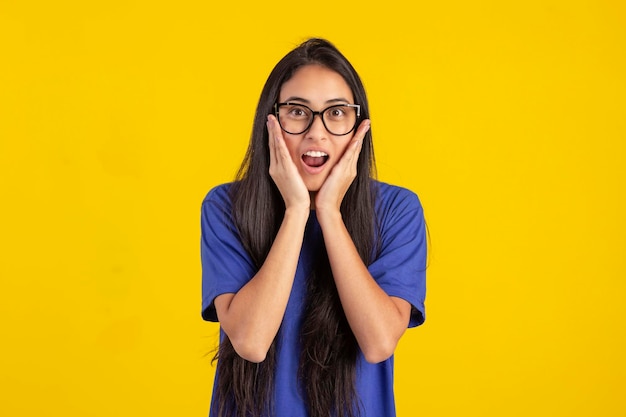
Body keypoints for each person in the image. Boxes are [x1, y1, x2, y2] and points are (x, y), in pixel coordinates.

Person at [200, 38, 427, 417]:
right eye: (297, 111)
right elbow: (252, 342)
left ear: (359, 124)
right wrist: (295, 210)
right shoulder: (226, 207)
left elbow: (379, 341)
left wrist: (330, 213)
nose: (316, 133)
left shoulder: (396, 209)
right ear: (270, 120)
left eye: (336, 113)